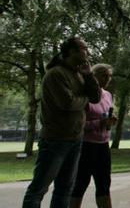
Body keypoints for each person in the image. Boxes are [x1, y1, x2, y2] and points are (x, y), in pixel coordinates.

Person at [22, 37, 101, 208]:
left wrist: (89, 75)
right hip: (54, 140)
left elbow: (96, 97)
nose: (87, 52)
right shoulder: (55, 74)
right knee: (39, 189)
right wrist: (85, 98)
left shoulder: (80, 74)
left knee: (65, 189)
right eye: (84, 48)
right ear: (72, 51)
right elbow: (68, 103)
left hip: (75, 139)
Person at [70, 64, 117, 208]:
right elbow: (77, 124)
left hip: (103, 145)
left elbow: (106, 116)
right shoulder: (84, 95)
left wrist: (109, 121)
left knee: (104, 185)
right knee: (80, 184)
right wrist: (99, 123)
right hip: (85, 146)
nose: (107, 79)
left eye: (109, 76)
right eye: (103, 75)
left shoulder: (108, 94)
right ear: (93, 77)